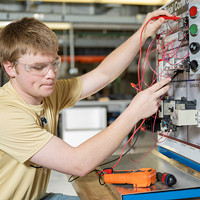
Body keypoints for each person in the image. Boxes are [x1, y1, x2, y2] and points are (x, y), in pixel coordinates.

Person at [0, 9, 171, 200]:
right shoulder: (6, 114)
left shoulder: (46, 91)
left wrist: (142, 34)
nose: (50, 75)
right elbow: (77, 163)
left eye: (54, 64)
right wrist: (133, 113)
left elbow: (103, 74)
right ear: (10, 67)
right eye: (39, 67)